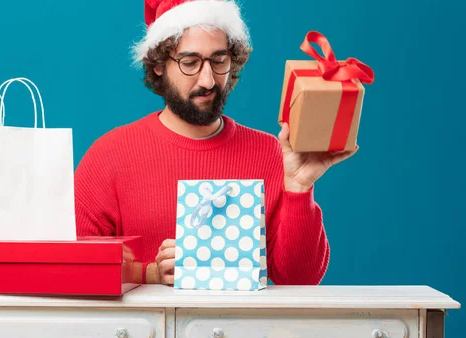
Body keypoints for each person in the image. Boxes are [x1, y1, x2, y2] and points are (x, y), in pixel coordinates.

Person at [74, 0, 358, 286]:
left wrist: (298, 186)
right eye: (190, 63)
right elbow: (77, 270)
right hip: (145, 330)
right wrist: (149, 274)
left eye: (219, 61)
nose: (208, 80)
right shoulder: (109, 156)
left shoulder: (271, 153)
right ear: (159, 65)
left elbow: (299, 280)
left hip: (242, 328)